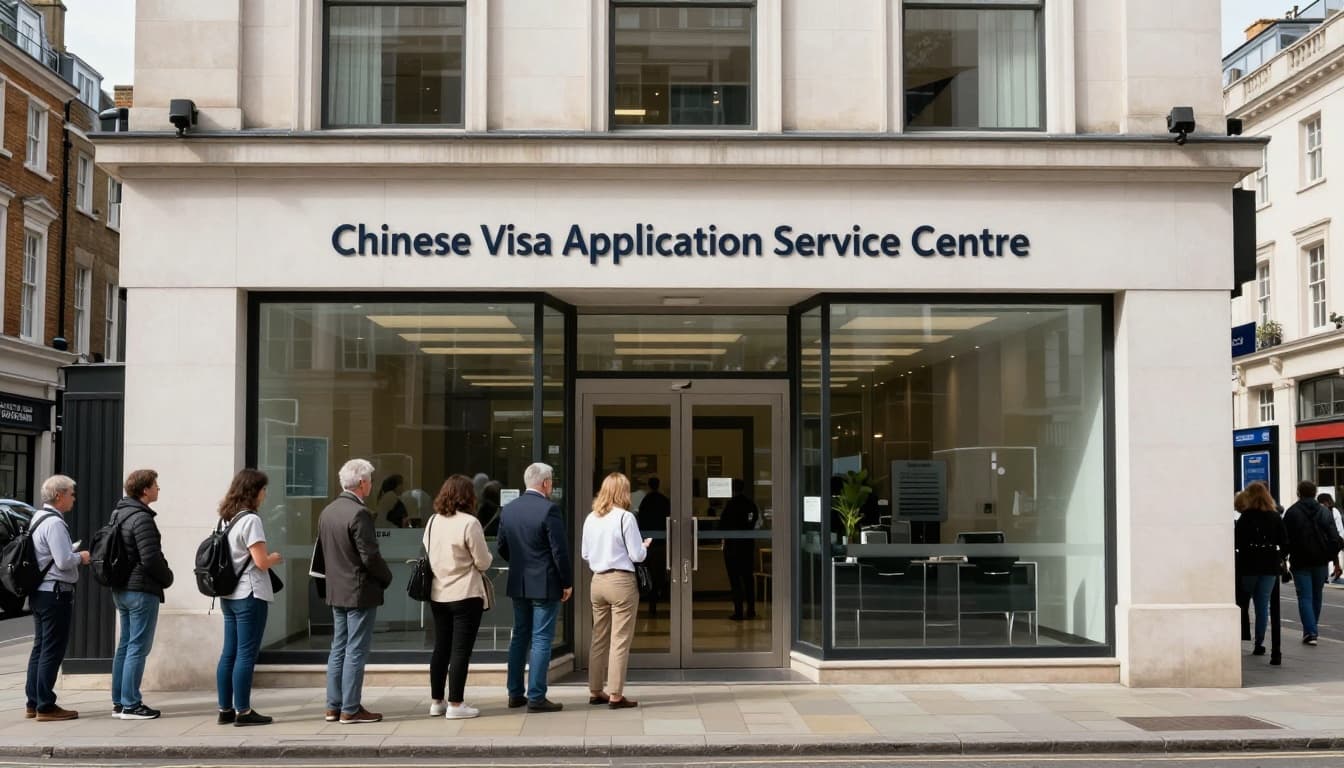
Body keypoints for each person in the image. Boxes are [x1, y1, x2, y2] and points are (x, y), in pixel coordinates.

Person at [318, 459, 393, 723]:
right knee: (355, 650)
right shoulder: (358, 513)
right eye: (370, 480)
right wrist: (387, 577)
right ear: (362, 483)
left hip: (336, 589)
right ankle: (350, 707)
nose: (371, 484)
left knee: (338, 647)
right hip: (359, 590)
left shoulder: (328, 511)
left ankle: (333, 705)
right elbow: (369, 556)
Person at [497, 462, 571, 713]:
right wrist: (567, 582)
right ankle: (537, 696)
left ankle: (515, 693)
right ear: (546, 483)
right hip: (545, 582)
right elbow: (559, 551)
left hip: (519, 581)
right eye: (552, 482)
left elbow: (502, 546)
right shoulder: (549, 510)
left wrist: (520, 564)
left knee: (519, 637)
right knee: (541, 638)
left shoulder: (509, 509)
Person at [215, 469, 283, 727]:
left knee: (228, 653)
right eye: (263, 490)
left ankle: (225, 709)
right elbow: (261, 561)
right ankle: (243, 711)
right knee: (246, 653)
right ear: (253, 491)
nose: (265, 495)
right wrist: (276, 557)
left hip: (229, 594)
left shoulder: (225, 518)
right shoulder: (251, 520)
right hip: (250, 594)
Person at [424, 475, 492, 720]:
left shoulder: (433, 521)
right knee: (460, 650)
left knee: (441, 648)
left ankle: (437, 701)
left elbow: (429, 551)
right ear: (468, 496)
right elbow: (483, 561)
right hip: (465, 594)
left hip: (438, 593)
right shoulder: (470, 523)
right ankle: (456, 704)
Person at [110, 469, 174, 720]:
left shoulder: (119, 513)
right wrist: (167, 577)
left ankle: (119, 701)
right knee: (137, 646)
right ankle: (131, 704)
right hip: (140, 590)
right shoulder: (142, 518)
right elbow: (150, 558)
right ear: (145, 490)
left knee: (125, 645)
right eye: (156, 485)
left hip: (122, 588)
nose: (158, 489)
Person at [582, 473, 649, 709]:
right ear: (623, 492)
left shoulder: (591, 518)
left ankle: (595, 690)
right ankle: (616, 694)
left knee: (598, 637)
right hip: (621, 582)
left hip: (597, 581)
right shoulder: (626, 518)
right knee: (619, 640)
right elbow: (636, 555)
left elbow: (585, 554)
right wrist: (644, 546)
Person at [26, 475, 90, 722]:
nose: (74, 498)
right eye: (72, 494)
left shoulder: (37, 518)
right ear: (59, 496)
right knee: (52, 650)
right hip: (55, 593)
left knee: (40, 648)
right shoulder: (54, 523)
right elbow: (63, 561)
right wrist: (81, 556)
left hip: (40, 592)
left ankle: (33, 702)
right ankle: (46, 706)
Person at [1283, 480, 1341, 646]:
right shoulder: (1324, 512)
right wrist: (1330, 556)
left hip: (1300, 560)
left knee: (1305, 597)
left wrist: (1284, 558)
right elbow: (1334, 537)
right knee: (1317, 596)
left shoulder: (1292, 512)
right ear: (1314, 493)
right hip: (1320, 560)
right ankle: (1312, 629)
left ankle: (1310, 632)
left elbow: (1286, 539)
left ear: (1298, 493)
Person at [1235, 483, 1286, 659]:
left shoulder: (1245, 517)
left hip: (1249, 563)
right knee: (1262, 606)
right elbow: (1284, 542)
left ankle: (1239, 637)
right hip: (1269, 564)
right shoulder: (1274, 516)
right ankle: (1259, 643)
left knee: (1242, 602)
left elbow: (1237, 542)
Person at [719, 479, 760, 621]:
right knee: (748, 578)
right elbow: (753, 521)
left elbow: (722, 524)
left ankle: (738, 611)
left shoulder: (730, 505)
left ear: (732, 489)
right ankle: (751, 609)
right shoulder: (750, 504)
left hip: (732, 547)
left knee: (735, 580)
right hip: (747, 547)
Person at [636, 477, 670, 618]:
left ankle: (651, 604)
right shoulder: (664, 500)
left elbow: (640, 520)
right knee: (659, 574)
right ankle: (658, 599)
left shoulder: (645, 501)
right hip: (661, 543)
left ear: (649, 486)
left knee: (647, 573)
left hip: (648, 544)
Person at [1321, 493, 1343, 584]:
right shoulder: (1333, 510)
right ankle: (1337, 568)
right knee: (1332, 555)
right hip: (1336, 537)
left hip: (1334, 538)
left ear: (1326, 502)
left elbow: (1336, 526)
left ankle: (1330, 573)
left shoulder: (1330, 511)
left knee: (1325, 556)